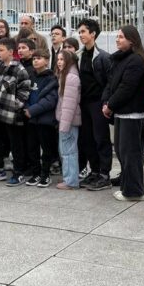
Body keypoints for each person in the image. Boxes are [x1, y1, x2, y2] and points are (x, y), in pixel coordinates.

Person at [102, 25, 144, 202]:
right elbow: (111, 84)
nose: (118, 39)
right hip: (121, 113)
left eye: (121, 37)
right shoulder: (120, 59)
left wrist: (111, 105)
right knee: (122, 152)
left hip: (132, 114)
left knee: (130, 153)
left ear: (132, 40)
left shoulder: (136, 61)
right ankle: (127, 187)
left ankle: (134, 192)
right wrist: (106, 102)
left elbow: (126, 88)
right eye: (117, 36)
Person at [0, 37, 32, 185]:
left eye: (1, 50)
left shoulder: (19, 69)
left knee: (15, 143)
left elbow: (25, 90)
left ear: (11, 52)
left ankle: (19, 172)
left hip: (12, 115)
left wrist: (15, 105)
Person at [75, 18, 113, 191]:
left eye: (83, 31)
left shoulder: (103, 57)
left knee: (101, 139)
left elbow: (109, 82)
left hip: (97, 104)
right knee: (87, 140)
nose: (80, 35)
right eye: (80, 32)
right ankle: (95, 171)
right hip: (83, 104)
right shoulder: (79, 55)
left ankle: (104, 174)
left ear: (93, 34)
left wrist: (106, 102)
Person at [23, 48, 58, 187]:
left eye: (39, 58)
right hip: (31, 120)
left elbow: (50, 100)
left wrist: (31, 110)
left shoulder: (52, 78)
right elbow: (24, 94)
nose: (36, 60)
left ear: (47, 60)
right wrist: (25, 108)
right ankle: (36, 173)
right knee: (32, 148)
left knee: (47, 149)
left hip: (45, 120)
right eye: (34, 58)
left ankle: (45, 174)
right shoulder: (30, 77)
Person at [55, 50, 83, 190]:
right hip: (67, 121)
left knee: (68, 152)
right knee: (66, 151)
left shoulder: (70, 78)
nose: (59, 62)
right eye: (58, 59)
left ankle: (71, 181)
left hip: (69, 122)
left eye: (62, 59)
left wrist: (64, 126)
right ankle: (69, 177)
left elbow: (69, 105)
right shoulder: (65, 75)